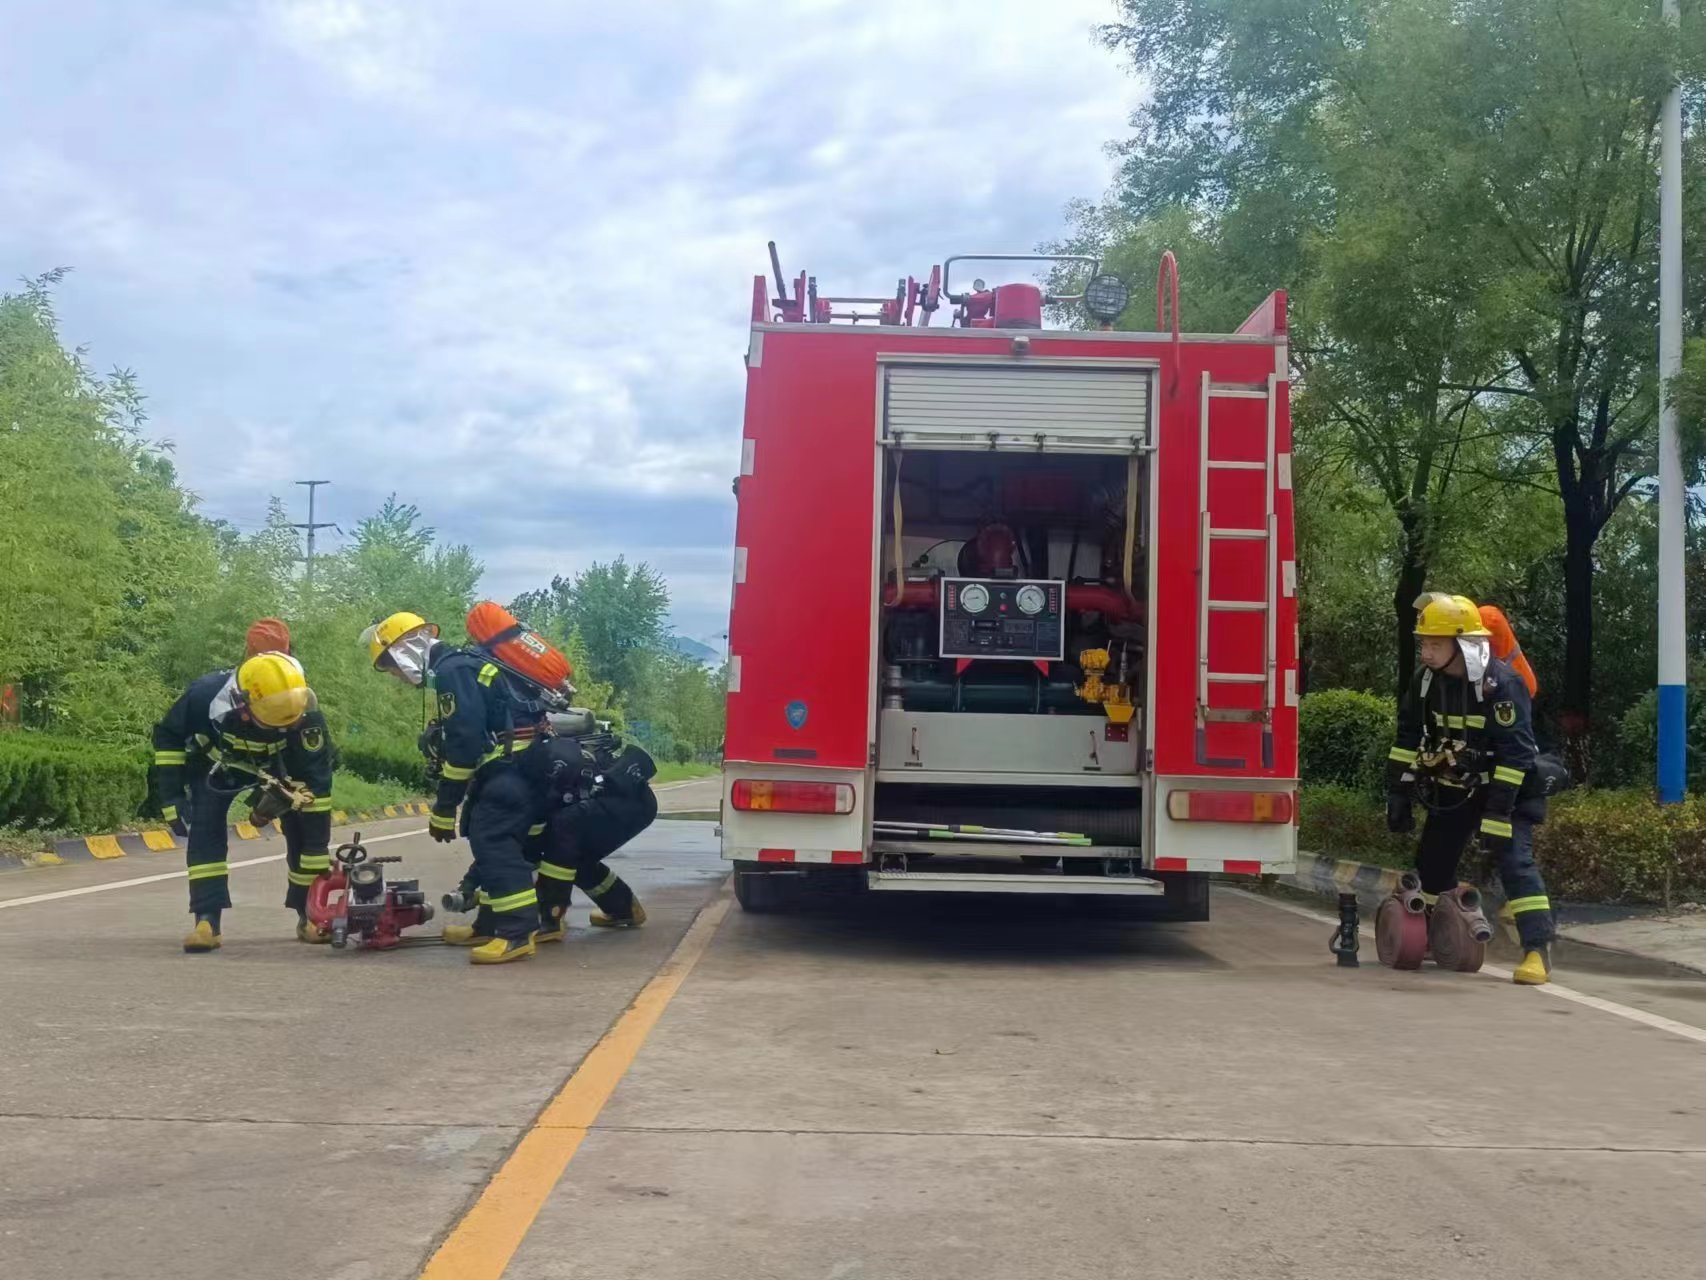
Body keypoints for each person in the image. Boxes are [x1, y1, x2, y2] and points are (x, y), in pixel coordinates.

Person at [1387, 593, 1555, 985]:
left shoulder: (1502, 685)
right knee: (1432, 862)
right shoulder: (1426, 681)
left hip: (1507, 793)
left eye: (1434, 644)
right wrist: (1398, 793)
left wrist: (1497, 814)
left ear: (1463, 644)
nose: (1425, 652)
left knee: (1516, 863)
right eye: (1423, 643)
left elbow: (1515, 756)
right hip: (1455, 787)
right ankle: (1430, 936)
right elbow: (1407, 737)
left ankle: (1537, 951)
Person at [364, 611, 542, 965]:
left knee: (492, 841)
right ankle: (490, 925)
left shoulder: (451, 671)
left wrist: (445, 808)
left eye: (392, 667)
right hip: (519, 765)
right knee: (491, 841)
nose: (397, 677)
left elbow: (464, 743)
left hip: (511, 769)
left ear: (405, 652)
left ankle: (517, 934)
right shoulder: (462, 664)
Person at [151, 652, 335, 952]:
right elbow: (168, 738)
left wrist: (315, 847)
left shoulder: (303, 712)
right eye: (274, 722)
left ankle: (309, 916)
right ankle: (207, 921)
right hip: (217, 769)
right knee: (205, 828)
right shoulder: (203, 697)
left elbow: (317, 782)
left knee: (302, 829)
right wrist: (172, 797)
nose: (286, 726)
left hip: (278, 770)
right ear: (244, 707)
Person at [440, 716, 652, 946]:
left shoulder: (512, 778)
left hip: (623, 803)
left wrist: (472, 887)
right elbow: (502, 853)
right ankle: (625, 909)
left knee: (560, 844)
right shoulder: (511, 767)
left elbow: (507, 851)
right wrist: (471, 885)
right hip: (631, 801)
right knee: (574, 856)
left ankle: (549, 921)